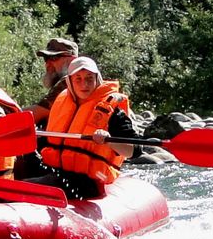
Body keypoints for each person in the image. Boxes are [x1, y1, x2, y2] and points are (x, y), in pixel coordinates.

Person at [37, 56, 140, 199]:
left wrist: (108, 140)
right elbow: (47, 142)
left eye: (89, 78)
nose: (84, 84)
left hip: (91, 180)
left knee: (44, 182)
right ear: (70, 81)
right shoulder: (61, 103)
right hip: (58, 170)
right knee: (24, 164)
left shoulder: (112, 111)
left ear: (97, 79)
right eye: (78, 79)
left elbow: (134, 151)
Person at [26, 37, 79, 123]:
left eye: (54, 58)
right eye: (46, 58)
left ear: (72, 60)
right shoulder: (63, 83)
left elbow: (33, 114)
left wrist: (5, 114)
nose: (48, 63)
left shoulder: (69, 81)